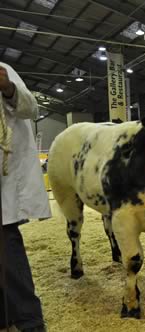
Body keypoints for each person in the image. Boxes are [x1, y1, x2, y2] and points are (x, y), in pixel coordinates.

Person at [0, 63, 51, 331]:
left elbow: (32, 108)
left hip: (3, 179)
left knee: (6, 247)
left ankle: (29, 320)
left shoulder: (3, 69)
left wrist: (8, 88)